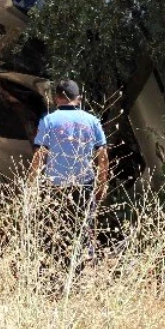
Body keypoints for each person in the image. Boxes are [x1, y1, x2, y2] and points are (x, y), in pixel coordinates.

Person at [28, 80, 109, 257]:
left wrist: (31, 184)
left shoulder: (48, 121)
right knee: (84, 231)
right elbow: (102, 157)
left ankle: (58, 269)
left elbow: (39, 155)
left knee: (56, 231)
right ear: (78, 99)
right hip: (84, 184)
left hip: (55, 187)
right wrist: (102, 185)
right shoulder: (92, 121)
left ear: (57, 99)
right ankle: (85, 268)